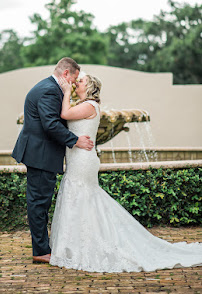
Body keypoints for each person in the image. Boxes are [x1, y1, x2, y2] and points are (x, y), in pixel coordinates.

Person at [49, 74, 202, 273]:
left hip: (83, 161)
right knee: (79, 197)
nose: (78, 82)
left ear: (89, 88)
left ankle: (85, 244)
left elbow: (65, 115)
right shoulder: (85, 104)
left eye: (82, 81)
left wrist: (67, 92)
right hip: (77, 158)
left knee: (82, 195)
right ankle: (75, 244)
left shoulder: (90, 105)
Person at [11, 57, 94, 264]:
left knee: (41, 201)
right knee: (39, 202)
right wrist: (75, 141)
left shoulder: (49, 87)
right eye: (74, 80)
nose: (74, 85)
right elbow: (50, 124)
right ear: (66, 74)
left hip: (41, 153)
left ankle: (43, 247)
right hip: (40, 155)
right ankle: (40, 251)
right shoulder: (49, 90)